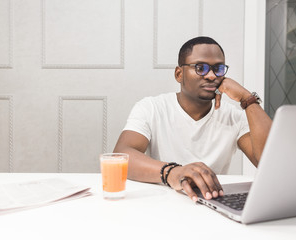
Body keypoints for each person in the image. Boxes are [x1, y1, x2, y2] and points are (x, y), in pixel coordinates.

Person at [113, 36, 272, 202]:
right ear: (179, 74)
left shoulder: (234, 117)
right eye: (200, 68)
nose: (211, 76)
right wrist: (172, 172)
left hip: (213, 202)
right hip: (162, 202)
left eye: (218, 69)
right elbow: (121, 156)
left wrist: (247, 99)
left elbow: (270, 165)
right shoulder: (152, 107)